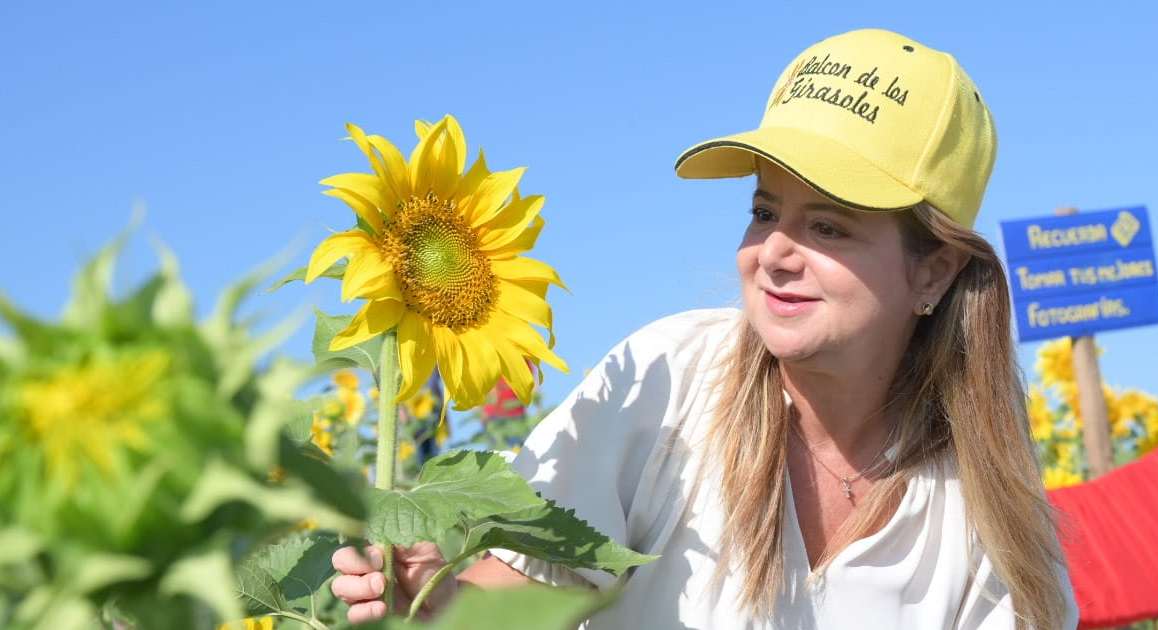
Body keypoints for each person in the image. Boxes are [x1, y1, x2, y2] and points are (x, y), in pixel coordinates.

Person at [329, 28, 1079, 629]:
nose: (774, 253)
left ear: (933, 272)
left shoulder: (982, 507)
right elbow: (527, 592)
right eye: (764, 211)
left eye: (829, 226)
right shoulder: (665, 380)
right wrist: (438, 603)